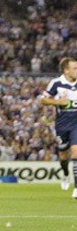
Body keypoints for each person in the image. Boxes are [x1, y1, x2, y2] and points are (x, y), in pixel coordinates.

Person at [39, 57, 77, 197]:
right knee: (63, 155)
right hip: (62, 125)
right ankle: (65, 174)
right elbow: (43, 100)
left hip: (76, 124)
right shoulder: (57, 83)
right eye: (75, 68)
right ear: (66, 70)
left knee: (75, 151)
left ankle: (76, 187)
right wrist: (58, 102)